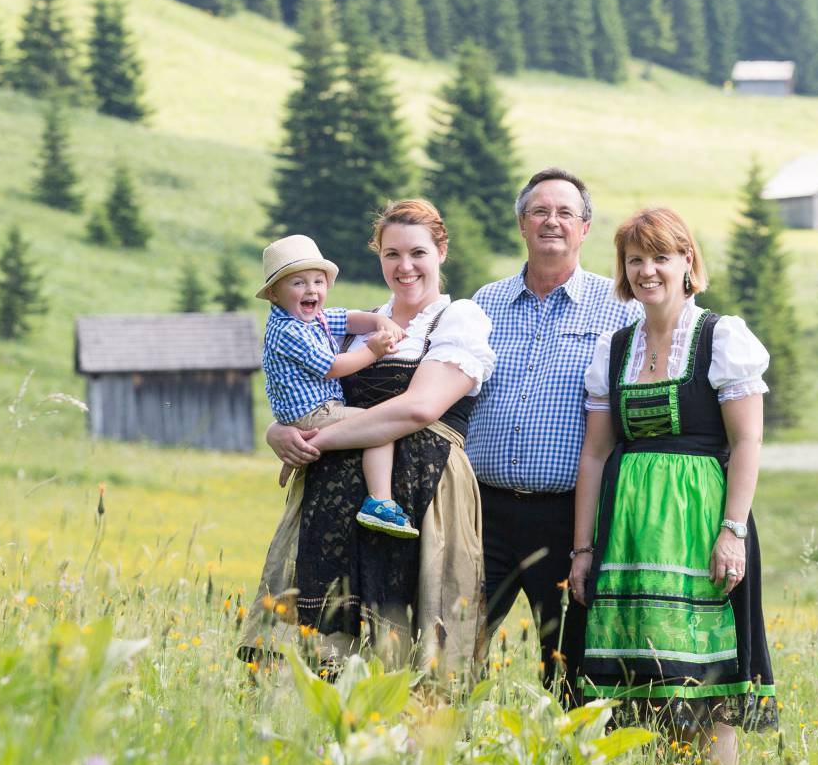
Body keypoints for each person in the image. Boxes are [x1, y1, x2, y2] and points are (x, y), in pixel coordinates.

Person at [243, 200, 497, 674]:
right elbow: (305, 396)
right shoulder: (351, 326)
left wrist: (314, 443)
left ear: (442, 252)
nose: (405, 267)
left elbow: (419, 408)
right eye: (391, 254)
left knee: (411, 646)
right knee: (322, 648)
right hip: (331, 500)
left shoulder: (459, 320)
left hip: (423, 490)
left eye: (418, 253)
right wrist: (277, 431)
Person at [567, 207, 777, 765]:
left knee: (704, 672)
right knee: (639, 673)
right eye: (636, 259)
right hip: (629, 530)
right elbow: (595, 453)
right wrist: (582, 549)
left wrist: (732, 532)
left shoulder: (720, 336)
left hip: (698, 523)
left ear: (688, 262)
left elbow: (749, 439)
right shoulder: (615, 349)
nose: (647, 270)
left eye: (661, 256)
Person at [464, 167, 632, 700]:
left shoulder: (619, 308)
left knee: (564, 662)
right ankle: (441, 755)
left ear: (585, 228)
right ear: (521, 224)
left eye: (565, 213)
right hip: (480, 511)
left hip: (566, 516)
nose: (551, 222)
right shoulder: (484, 304)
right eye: (539, 211)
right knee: (453, 642)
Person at [255, 233, 416, 539]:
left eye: (318, 281)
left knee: (375, 423)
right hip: (313, 413)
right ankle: (380, 501)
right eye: (298, 283)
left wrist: (380, 322)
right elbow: (332, 368)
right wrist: (373, 351)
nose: (311, 289)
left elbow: (351, 319)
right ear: (274, 294)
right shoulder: (289, 331)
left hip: (318, 411)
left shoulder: (313, 319)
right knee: (379, 427)